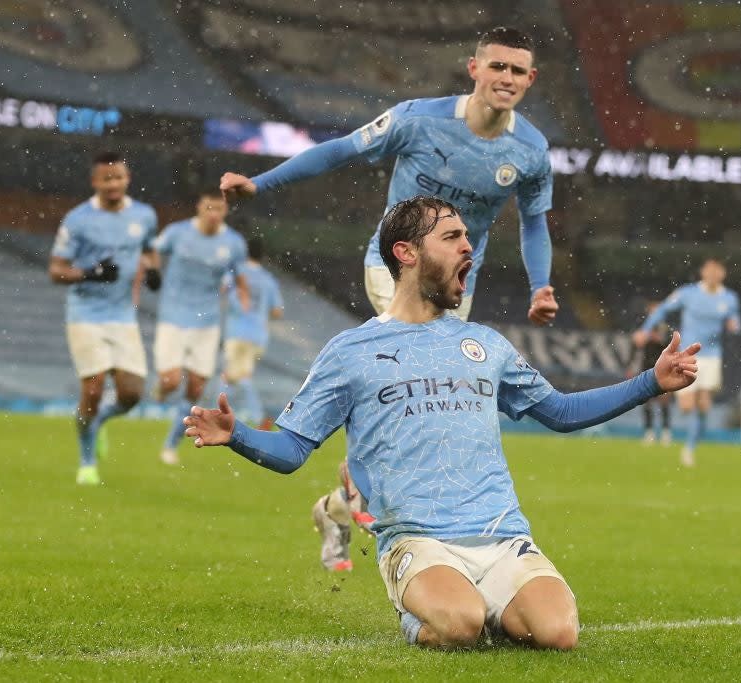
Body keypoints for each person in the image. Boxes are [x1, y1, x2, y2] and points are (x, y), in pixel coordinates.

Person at [184, 196, 701, 649]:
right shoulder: (350, 352)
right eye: (452, 237)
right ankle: (423, 608)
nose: (467, 249)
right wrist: (237, 436)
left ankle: (485, 599)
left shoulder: (487, 345)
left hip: (500, 532)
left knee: (559, 634)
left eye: (468, 239)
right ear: (406, 253)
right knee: (460, 626)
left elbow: (562, 413)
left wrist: (650, 382)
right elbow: (292, 450)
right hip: (417, 537)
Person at [220, 25, 560, 571]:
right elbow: (338, 152)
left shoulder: (531, 151)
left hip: (456, 286)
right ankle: (357, 480)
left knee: (430, 403)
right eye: (497, 66)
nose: (507, 78)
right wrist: (263, 184)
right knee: (404, 372)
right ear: (473, 69)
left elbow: (534, 226)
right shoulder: (416, 120)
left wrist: (540, 284)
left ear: (531, 80)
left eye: (518, 71)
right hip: (394, 269)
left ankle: (340, 505)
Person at [49, 151, 158, 485]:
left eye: (118, 177)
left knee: (131, 395)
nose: (113, 184)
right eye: (106, 178)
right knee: (93, 390)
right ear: (94, 181)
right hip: (86, 314)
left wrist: (153, 270)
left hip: (123, 315)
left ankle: (98, 422)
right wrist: (90, 273)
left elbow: (149, 250)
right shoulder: (78, 219)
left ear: (128, 179)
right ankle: (86, 462)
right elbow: (56, 270)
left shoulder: (144, 215)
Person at [147, 190, 249, 466]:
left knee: (195, 388)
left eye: (219, 209)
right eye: (209, 208)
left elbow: (240, 277)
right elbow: (152, 250)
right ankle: (161, 390)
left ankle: (170, 444)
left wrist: (243, 301)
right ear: (199, 208)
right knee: (170, 381)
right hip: (173, 316)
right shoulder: (177, 233)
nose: (214, 214)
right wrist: (152, 270)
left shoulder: (234, 243)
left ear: (225, 211)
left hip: (207, 322)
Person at [633, 258, 741, 467]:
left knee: (702, 405)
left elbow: (736, 322)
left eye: (716, 271)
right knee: (688, 405)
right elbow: (663, 309)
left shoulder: (729, 298)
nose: (712, 275)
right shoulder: (688, 294)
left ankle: (689, 448)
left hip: (712, 356)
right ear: (703, 273)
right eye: (708, 271)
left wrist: (733, 325)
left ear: (722, 275)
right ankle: (690, 434)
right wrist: (646, 329)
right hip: (688, 354)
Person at [221, 237, 284, 427]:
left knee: (234, 377)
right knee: (236, 376)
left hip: (237, 331)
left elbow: (223, 290)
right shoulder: (268, 279)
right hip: (257, 335)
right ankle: (228, 415)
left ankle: (256, 417)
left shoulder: (235, 273)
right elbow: (277, 311)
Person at [633, 301, 673, 445]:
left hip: (663, 368)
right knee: (647, 401)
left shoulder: (667, 328)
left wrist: (659, 339)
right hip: (646, 367)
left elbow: (672, 345)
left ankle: (666, 431)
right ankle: (649, 431)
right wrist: (631, 366)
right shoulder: (643, 328)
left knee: (664, 401)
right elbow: (636, 346)